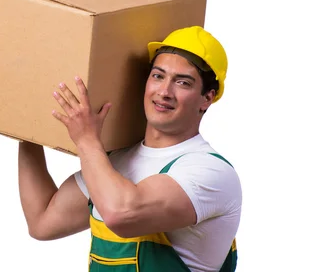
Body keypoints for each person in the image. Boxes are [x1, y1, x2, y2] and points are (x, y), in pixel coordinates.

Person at [18, 26, 242, 272]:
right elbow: (42, 221)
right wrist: (27, 131)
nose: (164, 92)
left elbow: (121, 215)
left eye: (183, 82)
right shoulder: (114, 163)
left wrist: (87, 140)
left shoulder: (211, 172)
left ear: (206, 98)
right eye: (158, 76)